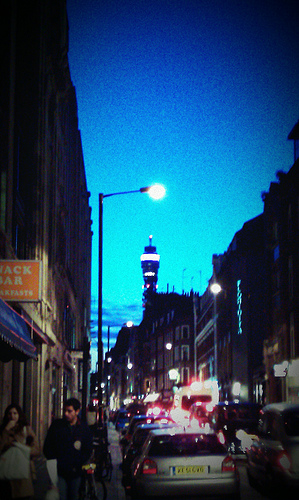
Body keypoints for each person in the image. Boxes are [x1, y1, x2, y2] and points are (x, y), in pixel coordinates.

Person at [43, 398, 93, 500]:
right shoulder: (57, 426)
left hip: (75, 471)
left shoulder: (83, 428)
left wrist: (79, 461)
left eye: (69, 411)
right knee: (61, 496)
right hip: (59, 471)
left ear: (77, 411)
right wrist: (55, 461)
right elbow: (47, 446)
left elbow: (87, 449)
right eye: (65, 411)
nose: (66, 414)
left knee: (73, 496)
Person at [0, 403, 40, 500]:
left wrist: (20, 446)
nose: (12, 416)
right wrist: (6, 430)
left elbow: (36, 450)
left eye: (15, 413)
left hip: (23, 476)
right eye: (9, 413)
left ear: (19, 415)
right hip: (6, 475)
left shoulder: (26, 430)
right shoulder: (3, 431)